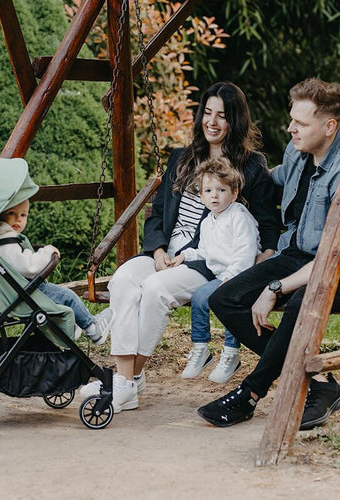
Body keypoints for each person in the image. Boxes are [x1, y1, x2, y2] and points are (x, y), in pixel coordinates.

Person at [198, 78, 340, 429]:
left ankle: (251, 392)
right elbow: (275, 179)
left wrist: (275, 288)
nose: (290, 129)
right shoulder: (297, 151)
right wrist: (231, 182)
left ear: (329, 126)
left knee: (303, 300)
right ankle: (322, 383)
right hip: (297, 254)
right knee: (226, 298)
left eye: (300, 123)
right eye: (292, 120)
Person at [80, 82, 280, 412]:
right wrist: (158, 251)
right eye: (207, 113)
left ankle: (126, 381)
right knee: (124, 280)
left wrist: (265, 258)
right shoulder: (181, 158)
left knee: (156, 290)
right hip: (166, 254)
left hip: (206, 262)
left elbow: (266, 223)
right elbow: (158, 215)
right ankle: (126, 380)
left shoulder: (249, 165)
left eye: (222, 115)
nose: (212, 122)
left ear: (235, 121)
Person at [174, 157, 261, 379]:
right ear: (201, 196)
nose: (214, 195)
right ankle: (201, 348)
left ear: (233, 193)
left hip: (243, 276)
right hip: (222, 275)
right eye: (208, 190)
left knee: (224, 301)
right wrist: (184, 255)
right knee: (200, 298)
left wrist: (230, 278)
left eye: (221, 190)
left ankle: (231, 353)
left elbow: (246, 253)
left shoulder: (239, 216)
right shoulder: (207, 222)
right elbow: (204, 251)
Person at [0, 199, 115, 345]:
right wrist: (47, 252)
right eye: (11, 213)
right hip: (25, 294)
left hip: (6, 295)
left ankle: (72, 326)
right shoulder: (5, 241)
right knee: (67, 296)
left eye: (23, 215)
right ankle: (93, 328)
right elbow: (27, 267)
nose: (18, 219)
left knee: (61, 299)